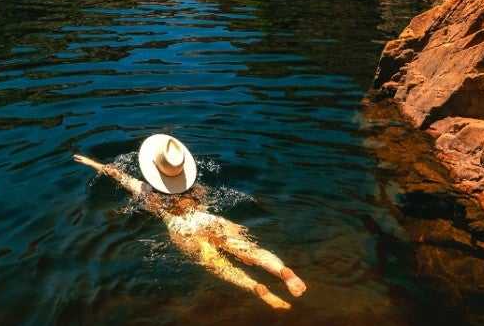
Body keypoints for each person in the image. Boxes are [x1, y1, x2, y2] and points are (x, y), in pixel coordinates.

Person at [73, 133, 308, 311]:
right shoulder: (195, 187)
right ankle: (283, 271)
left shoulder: (146, 190)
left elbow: (119, 175)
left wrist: (93, 164)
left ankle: (255, 288)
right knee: (250, 250)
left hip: (180, 229)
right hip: (207, 219)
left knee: (216, 262)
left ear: (153, 169)